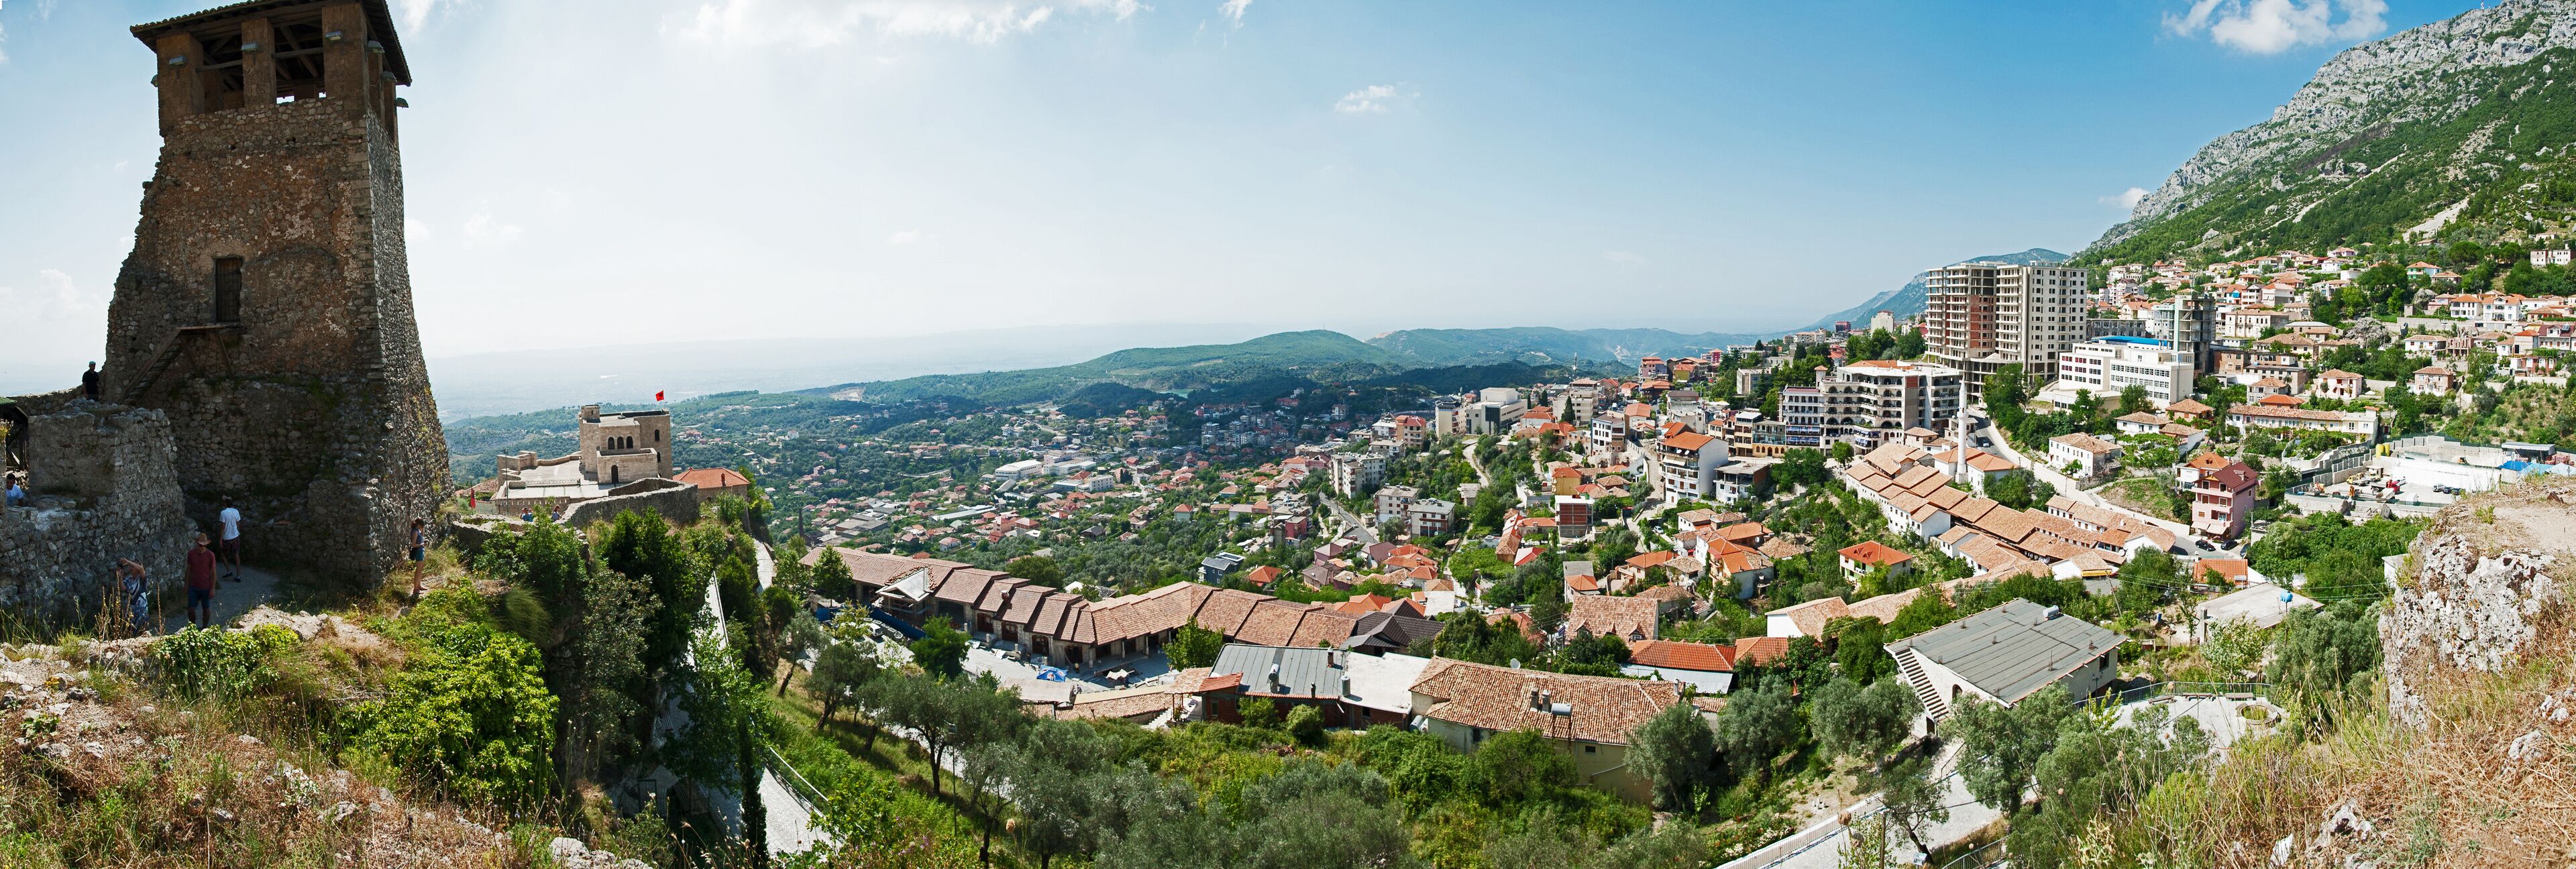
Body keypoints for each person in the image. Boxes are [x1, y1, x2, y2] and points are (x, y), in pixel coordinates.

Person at [185, 531, 219, 630]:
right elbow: (189, 569)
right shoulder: (191, 554)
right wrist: (186, 584)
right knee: (191, 609)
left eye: (204, 546)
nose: (202, 547)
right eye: (200, 545)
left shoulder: (210, 555)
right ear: (197, 544)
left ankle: (204, 628)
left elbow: (214, 572)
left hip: (206, 587)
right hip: (193, 586)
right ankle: (193, 628)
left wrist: (212, 588)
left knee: (207, 610)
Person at [114, 559, 152, 638]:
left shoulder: (141, 578)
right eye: (130, 567)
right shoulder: (129, 579)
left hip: (141, 610)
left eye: (132, 567)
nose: (130, 568)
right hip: (131, 609)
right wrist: (120, 577)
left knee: (142, 632)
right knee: (131, 632)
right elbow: (122, 588)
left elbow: (142, 569)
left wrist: (128, 562)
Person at [217, 497, 244, 582]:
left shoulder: (223, 513)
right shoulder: (236, 511)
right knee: (237, 555)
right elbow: (238, 523)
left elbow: (223, 527)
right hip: (235, 537)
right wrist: (238, 533)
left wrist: (220, 539)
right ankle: (238, 576)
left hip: (227, 538)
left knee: (222, 554)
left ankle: (229, 571)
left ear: (225, 504)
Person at [408, 518, 429, 601]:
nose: (422, 528)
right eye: (422, 526)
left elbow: (422, 536)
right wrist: (422, 544)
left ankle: (419, 586)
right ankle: (415, 589)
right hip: (418, 552)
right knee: (418, 570)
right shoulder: (415, 532)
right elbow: (413, 545)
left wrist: (423, 529)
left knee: (420, 570)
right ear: (419, 525)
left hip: (421, 551)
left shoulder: (417, 530)